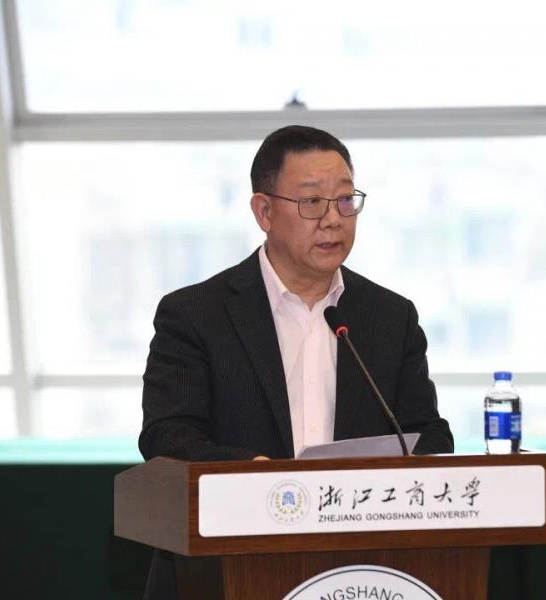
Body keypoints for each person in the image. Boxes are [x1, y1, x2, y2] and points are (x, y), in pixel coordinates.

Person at [138, 125, 453, 599]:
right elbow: (168, 436)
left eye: (345, 200)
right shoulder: (195, 314)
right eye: (311, 202)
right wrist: (259, 473)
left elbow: (429, 436)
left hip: (365, 572)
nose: (333, 220)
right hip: (225, 569)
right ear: (264, 212)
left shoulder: (390, 317)